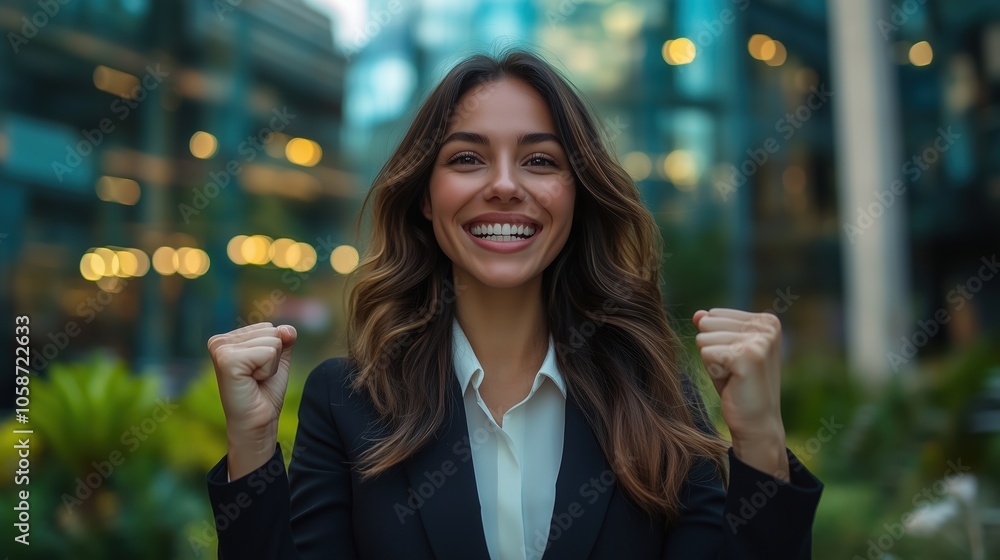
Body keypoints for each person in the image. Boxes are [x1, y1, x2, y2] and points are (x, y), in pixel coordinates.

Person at [205, 49, 823, 559]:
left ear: (576, 195)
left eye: (540, 161)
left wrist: (760, 440)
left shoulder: (654, 394)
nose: (504, 185)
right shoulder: (346, 401)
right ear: (426, 197)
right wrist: (252, 444)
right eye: (467, 159)